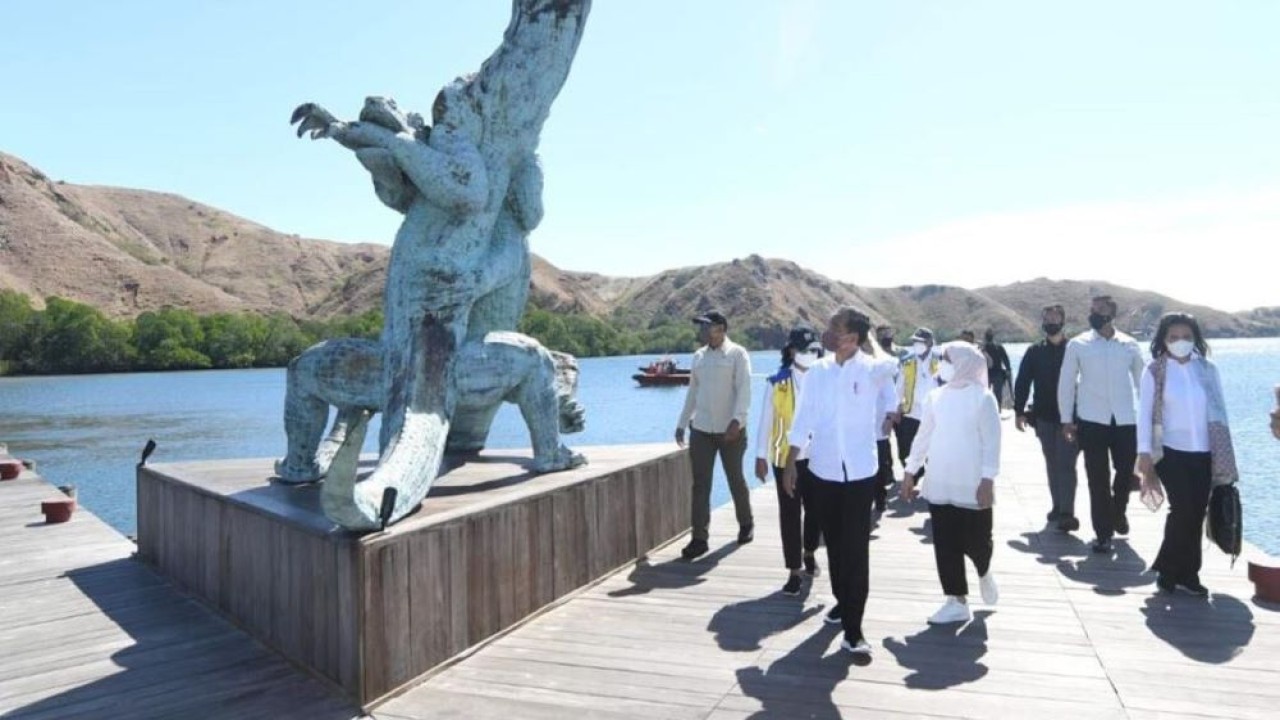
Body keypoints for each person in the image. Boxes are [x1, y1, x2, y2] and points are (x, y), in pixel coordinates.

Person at [782, 307, 896, 657]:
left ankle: (854, 629)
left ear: (852, 337)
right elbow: (803, 418)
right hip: (823, 472)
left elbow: (893, 383)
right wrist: (791, 462)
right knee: (834, 546)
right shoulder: (818, 373)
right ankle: (842, 601)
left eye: (835, 328)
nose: (827, 332)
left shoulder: (875, 369)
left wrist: (891, 414)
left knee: (856, 551)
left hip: (861, 474)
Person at [902, 342, 1001, 624]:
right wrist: (910, 472)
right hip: (940, 481)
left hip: (973, 482)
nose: (940, 363)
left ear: (963, 362)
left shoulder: (984, 398)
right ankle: (956, 600)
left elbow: (993, 442)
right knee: (945, 543)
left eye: (945, 359)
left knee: (979, 542)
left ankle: (983, 571)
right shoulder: (935, 397)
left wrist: (988, 479)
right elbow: (923, 436)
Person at [1137, 313, 1235, 596]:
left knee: (1196, 512)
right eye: (1174, 337)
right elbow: (1144, 415)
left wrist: (1224, 451)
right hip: (1170, 451)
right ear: (1164, 340)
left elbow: (1220, 411)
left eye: (1186, 337)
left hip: (1204, 451)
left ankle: (1189, 573)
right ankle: (1169, 571)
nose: (1181, 342)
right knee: (1182, 509)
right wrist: (1144, 453)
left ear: (1195, 339)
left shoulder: (1207, 369)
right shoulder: (1154, 370)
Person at [1057, 296, 1145, 554]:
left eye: (1101, 310)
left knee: (1125, 473)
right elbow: (1066, 383)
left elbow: (1143, 383)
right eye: (1092, 309)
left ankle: (1118, 511)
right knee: (1097, 478)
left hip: (1125, 420)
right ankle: (1103, 533)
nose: (1095, 313)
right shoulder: (1078, 344)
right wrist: (1066, 419)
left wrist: (1152, 417)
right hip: (1092, 420)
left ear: (1112, 313)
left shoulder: (1129, 345)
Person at [675, 311, 754, 560]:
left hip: (731, 431)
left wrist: (737, 421)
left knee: (735, 479)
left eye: (705, 326)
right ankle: (699, 538)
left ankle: (746, 523)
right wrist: (681, 423)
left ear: (720, 328)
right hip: (701, 430)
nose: (700, 331)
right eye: (700, 327)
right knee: (700, 485)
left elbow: (744, 390)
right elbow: (692, 393)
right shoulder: (698, 357)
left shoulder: (737, 354)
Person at [755, 325, 825, 595]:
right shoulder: (777, 382)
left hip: (818, 457)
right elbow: (766, 421)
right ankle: (794, 570)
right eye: (807, 350)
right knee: (790, 513)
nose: (812, 355)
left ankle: (809, 551)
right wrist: (761, 456)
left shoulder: (825, 379)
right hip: (785, 459)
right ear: (793, 351)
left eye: (815, 350)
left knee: (816, 511)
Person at [1013, 305, 1081, 532]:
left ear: (1063, 320)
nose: (1051, 321)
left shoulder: (1075, 349)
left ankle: (1067, 513)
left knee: (1067, 464)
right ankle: (1057, 506)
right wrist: (1019, 410)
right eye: (1047, 318)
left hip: (1069, 418)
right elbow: (1023, 380)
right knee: (1052, 463)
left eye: (1055, 317)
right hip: (1043, 417)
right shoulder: (1034, 351)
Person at [895, 328, 940, 479]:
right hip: (911, 412)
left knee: (933, 450)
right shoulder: (907, 361)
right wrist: (896, 408)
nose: (916, 344)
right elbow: (899, 386)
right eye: (914, 341)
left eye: (920, 341)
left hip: (934, 414)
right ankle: (916, 473)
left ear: (929, 342)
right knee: (905, 451)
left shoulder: (940, 360)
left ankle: (929, 478)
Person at [983, 329, 1013, 408]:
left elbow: (1005, 359)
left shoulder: (984, 348)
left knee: (990, 394)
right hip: (992, 374)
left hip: (991, 374)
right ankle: (996, 409)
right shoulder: (997, 347)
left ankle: (994, 409)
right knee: (995, 394)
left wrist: (1008, 369)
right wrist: (1008, 369)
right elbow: (1005, 359)